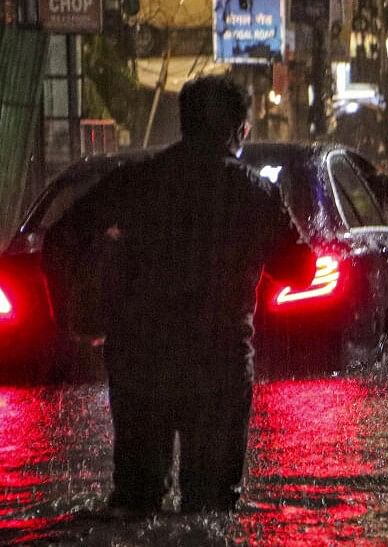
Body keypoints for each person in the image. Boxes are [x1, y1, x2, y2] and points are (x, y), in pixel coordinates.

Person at [44, 76, 313, 516]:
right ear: (238, 131)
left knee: (134, 504)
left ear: (184, 124)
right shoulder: (254, 192)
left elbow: (60, 239)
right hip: (218, 367)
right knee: (210, 510)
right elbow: (300, 269)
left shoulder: (135, 181)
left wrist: (72, 317)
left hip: (139, 363)